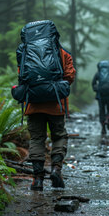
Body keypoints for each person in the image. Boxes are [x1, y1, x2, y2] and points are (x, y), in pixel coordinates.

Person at [14, 20, 76, 191]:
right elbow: (70, 76)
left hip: (33, 104)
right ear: (54, 35)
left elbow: (22, 75)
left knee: (36, 139)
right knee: (59, 136)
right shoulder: (62, 53)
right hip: (55, 104)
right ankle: (56, 169)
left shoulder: (26, 52)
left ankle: (37, 178)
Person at [91, 60, 109, 134]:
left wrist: (96, 89)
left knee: (102, 111)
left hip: (100, 95)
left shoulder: (98, 73)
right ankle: (107, 119)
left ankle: (103, 128)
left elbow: (93, 82)